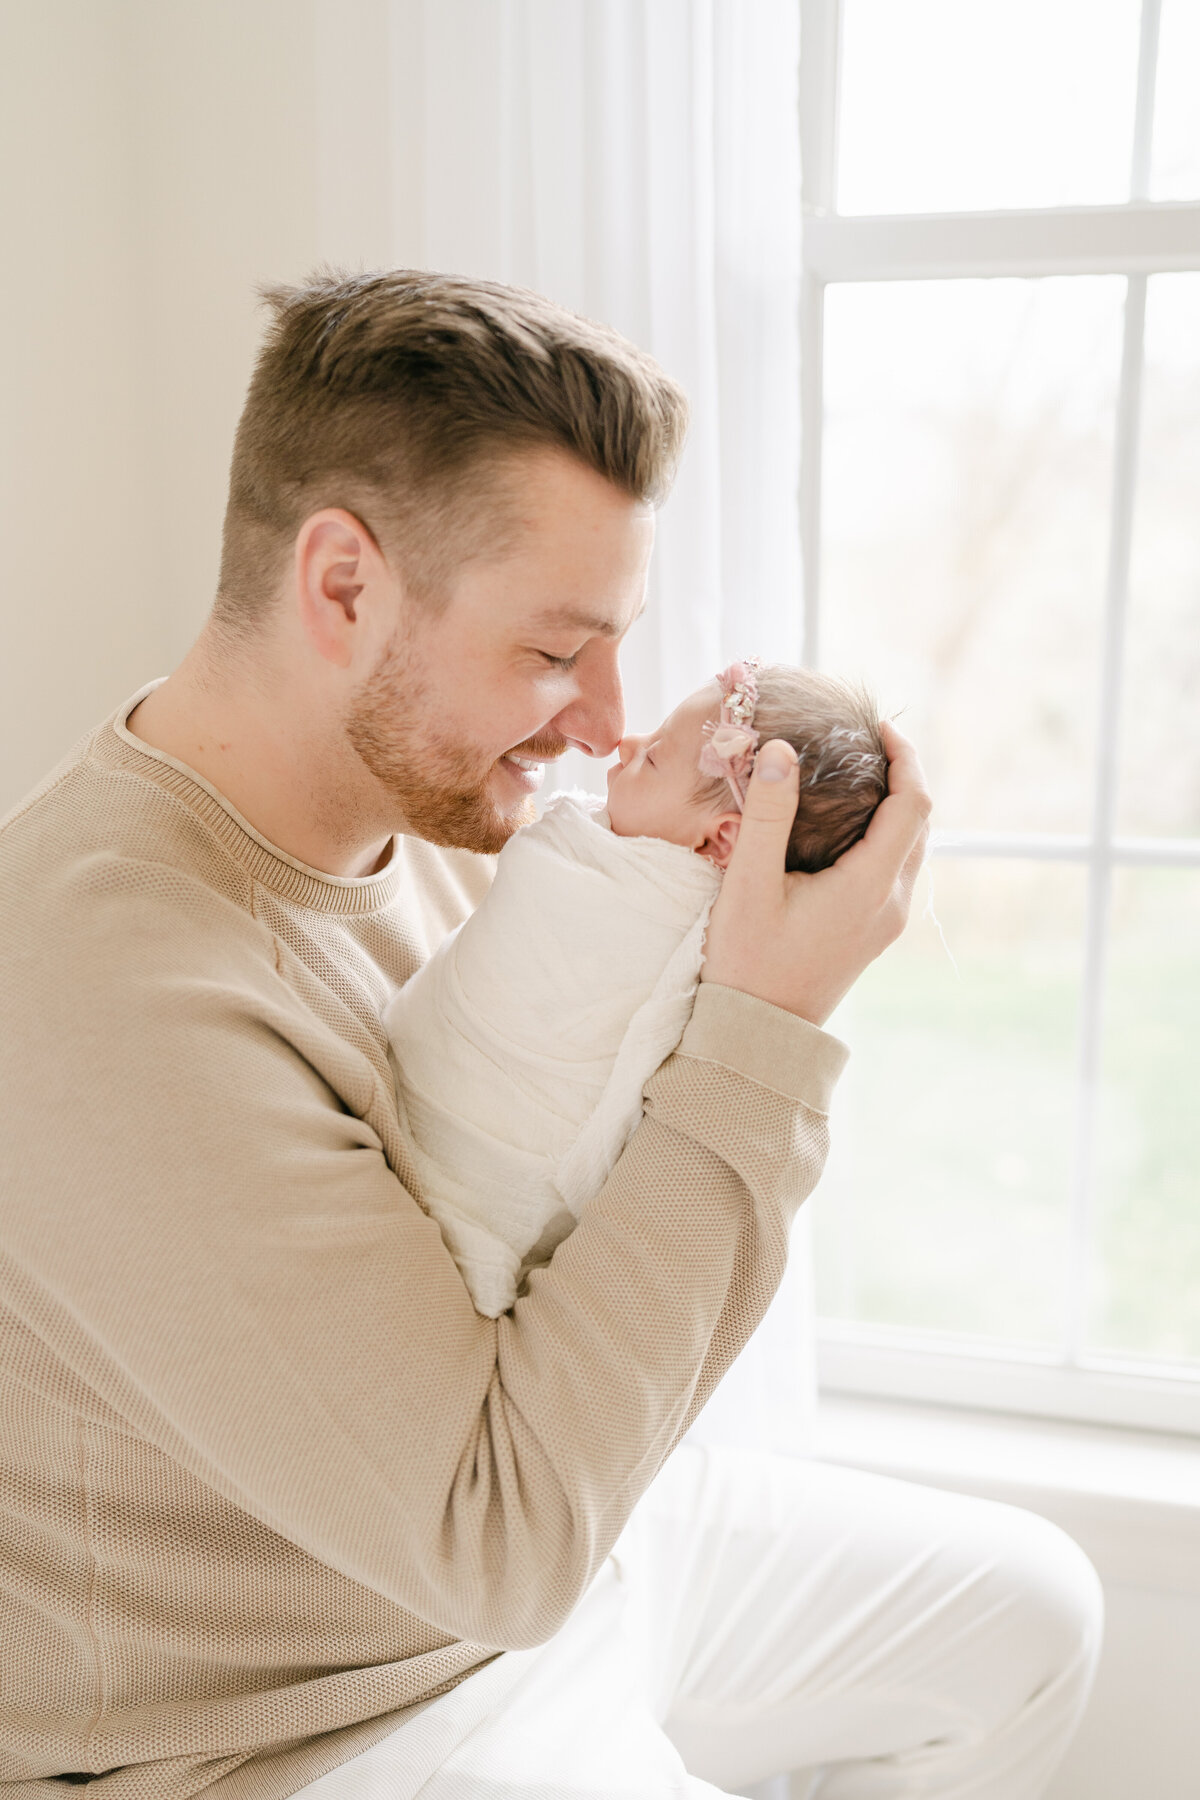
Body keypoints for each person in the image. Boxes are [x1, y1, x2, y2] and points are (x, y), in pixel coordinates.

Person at [0, 269, 1100, 1800]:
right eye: (551, 651)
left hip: (553, 1560)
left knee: (1030, 1617)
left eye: (616, 649)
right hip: (313, 1716)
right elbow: (499, 1540)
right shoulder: (104, 983)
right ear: (341, 588)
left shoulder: (441, 811)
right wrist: (763, 1035)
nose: (602, 718)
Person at [385, 661, 888, 1318]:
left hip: (484, 1164)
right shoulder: (595, 856)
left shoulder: (688, 927)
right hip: (424, 1069)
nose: (624, 743)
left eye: (652, 760)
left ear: (724, 838)